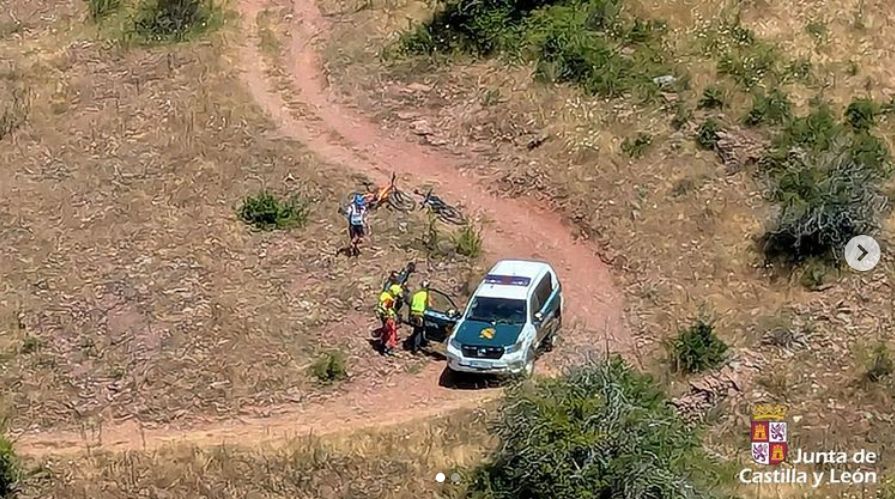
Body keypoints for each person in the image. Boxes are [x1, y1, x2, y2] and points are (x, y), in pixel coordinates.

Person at [407, 280, 431, 354]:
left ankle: (418, 343)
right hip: (420, 315)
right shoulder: (426, 295)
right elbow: (429, 306)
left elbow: (410, 304)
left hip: (413, 314)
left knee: (417, 330)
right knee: (419, 331)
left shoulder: (416, 295)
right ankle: (415, 349)